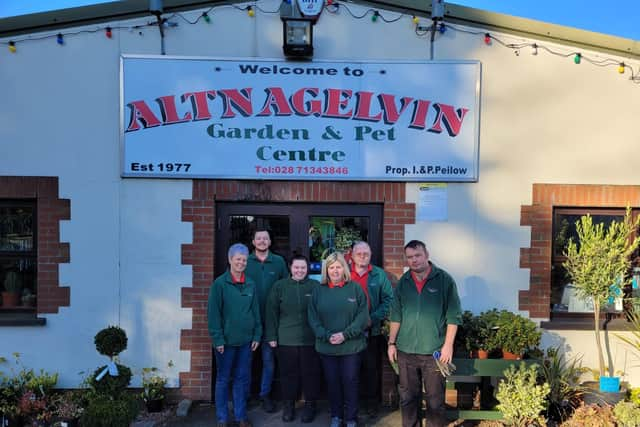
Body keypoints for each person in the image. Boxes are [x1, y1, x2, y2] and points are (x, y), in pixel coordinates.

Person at [387, 240, 462, 427]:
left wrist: (448, 346)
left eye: (418, 255)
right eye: (410, 257)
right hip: (405, 351)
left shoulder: (444, 280)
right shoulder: (403, 282)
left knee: (435, 401)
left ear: (426, 255)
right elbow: (396, 315)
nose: (414, 260)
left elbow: (453, 316)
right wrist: (391, 343)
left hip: (434, 351)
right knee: (407, 399)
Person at [308, 252, 370, 427]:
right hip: (327, 347)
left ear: (345, 268)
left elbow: (362, 316)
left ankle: (351, 418)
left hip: (351, 347)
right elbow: (312, 318)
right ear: (326, 270)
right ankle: (336, 416)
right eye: (331, 267)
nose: (335, 271)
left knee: (350, 381)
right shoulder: (318, 290)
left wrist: (345, 334)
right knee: (332, 382)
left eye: (338, 266)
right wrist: (327, 336)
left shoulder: (355, 289)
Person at [208, 243, 262, 427]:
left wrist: (257, 335)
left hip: (246, 341)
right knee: (223, 379)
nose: (241, 263)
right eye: (238, 259)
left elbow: (256, 312)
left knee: (241, 379)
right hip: (226, 342)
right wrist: (218, 339)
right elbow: (213, 314)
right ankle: (222, 418)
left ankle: (241, 417)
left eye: (244, 260)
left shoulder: (251, 284)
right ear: (230, 260)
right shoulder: (219, 284)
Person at [264, 255, 322, 423]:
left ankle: (310, 405)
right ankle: (289, 405)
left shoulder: (315, 286)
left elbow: (322, 311)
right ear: (290, 268)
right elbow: (271, 312)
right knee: (289, 375)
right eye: (296, 267)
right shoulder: (279, 286)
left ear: (308, 269)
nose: (299, 270)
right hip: (286, 339)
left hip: (310, 340)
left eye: (303, 268)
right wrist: (272, 336)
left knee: (310, 374)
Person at [245, 229, 288, 413]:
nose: (262, 241)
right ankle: (245, 396)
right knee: (245, 362)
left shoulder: (278, 262)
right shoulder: (244, 261)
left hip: (271, 322)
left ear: (270, 241)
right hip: (248, 322)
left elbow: (286, 288)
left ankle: (265, 395)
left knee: (268, 362)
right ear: (253, 242)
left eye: (265, 238)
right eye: (258, 238)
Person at [350, 241, 393, 418]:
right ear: (351, 255)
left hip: (371, 331)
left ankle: (371, 404)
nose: (362, 256)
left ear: (371, 254)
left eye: (365, 253)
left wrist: (372, 318)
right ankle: (350, 404)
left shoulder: (379, 274)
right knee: (349, 370)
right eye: (358, 253)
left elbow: (389, 300)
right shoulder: (344, 273)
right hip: (348, 333)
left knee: (371, 370)